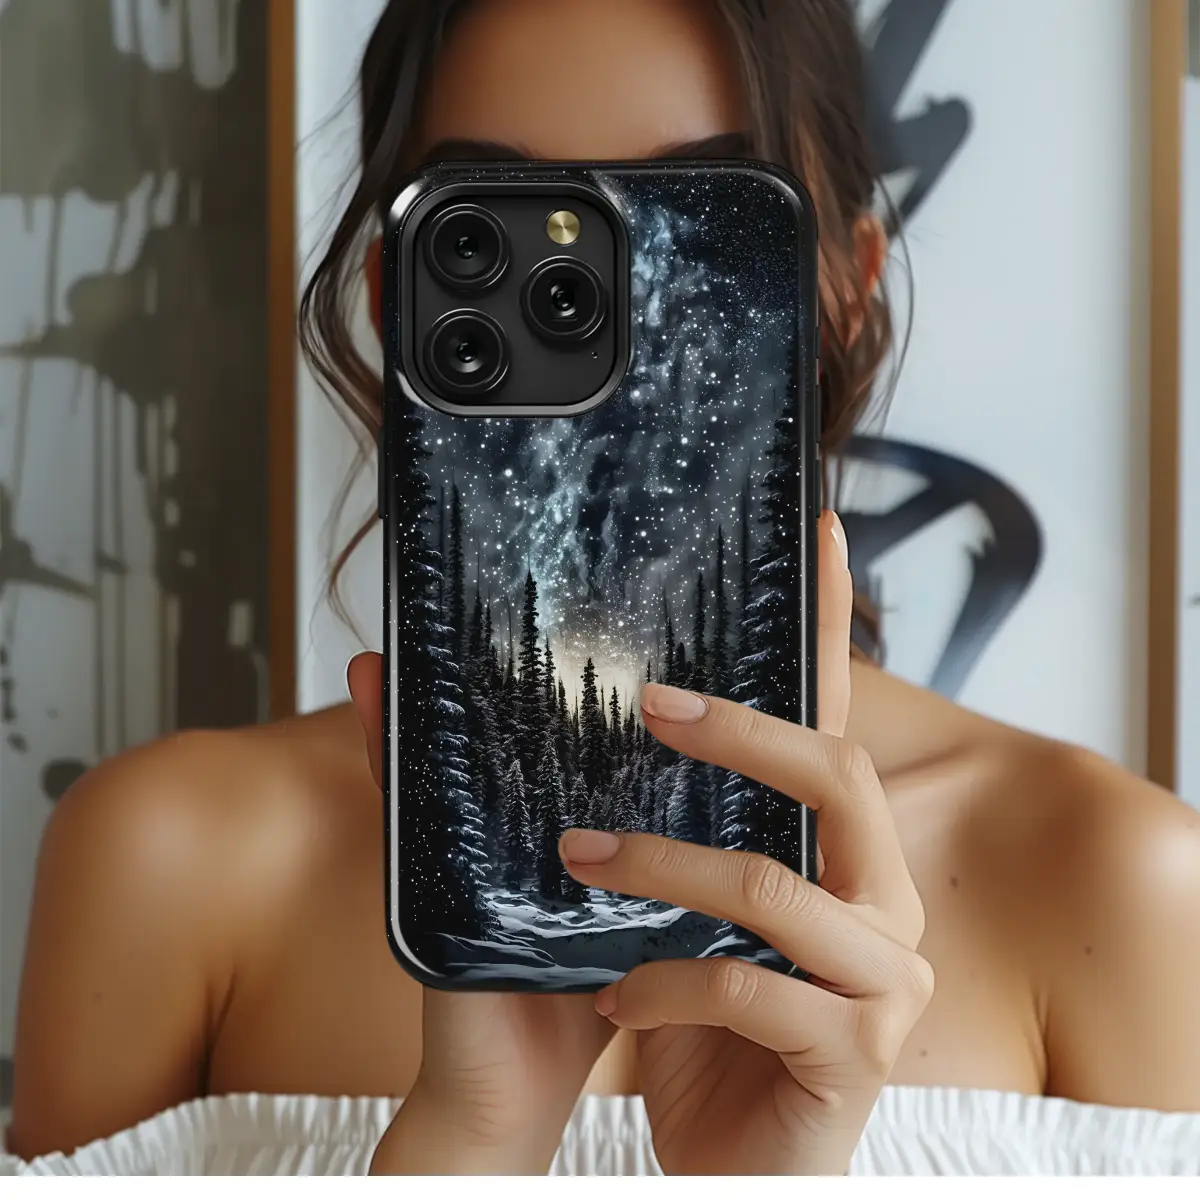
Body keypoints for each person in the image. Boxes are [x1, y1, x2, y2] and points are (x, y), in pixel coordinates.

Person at [7, 0, 1200, 1177]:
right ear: (394, 298)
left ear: (846, 289)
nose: (613, 314)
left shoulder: (1114, 882)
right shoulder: (170, 863)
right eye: (497, 231)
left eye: (704, 222)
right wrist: (474, 1142)